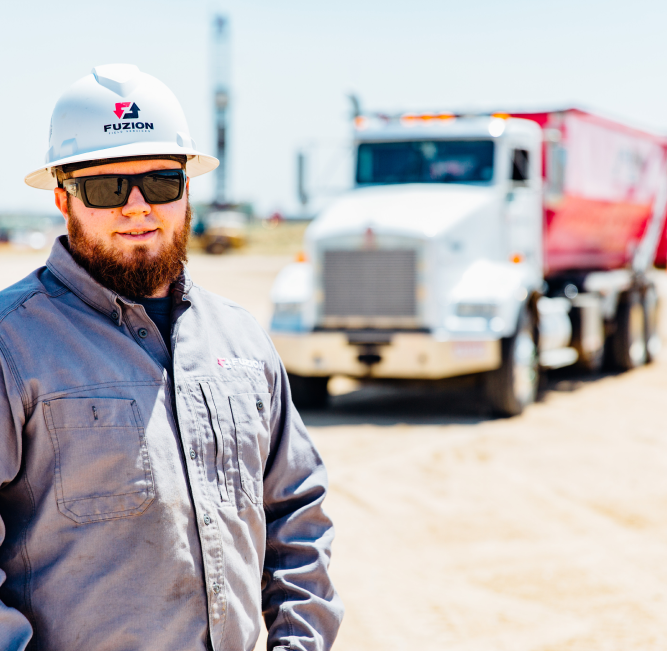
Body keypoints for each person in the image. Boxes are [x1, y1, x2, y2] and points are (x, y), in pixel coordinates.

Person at [0, 64, 343, 651]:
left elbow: (295, 510)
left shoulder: (240, 340)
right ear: (64, 199)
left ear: (187, 190)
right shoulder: (13, 343)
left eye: (158, 183)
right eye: (107, 188)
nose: (137, 208)